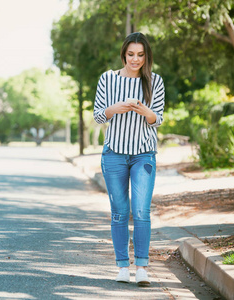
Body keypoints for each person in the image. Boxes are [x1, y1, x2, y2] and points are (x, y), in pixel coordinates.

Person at [93, 32, 165, 286]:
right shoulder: (108, 79)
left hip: (143, 154)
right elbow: (99, 115)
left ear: (146, 56)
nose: (135, 59)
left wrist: (147, 112)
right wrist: (116, 108)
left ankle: (142, 268)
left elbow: (158, 120)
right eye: (131, 54)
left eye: (141, 55)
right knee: (120, 213)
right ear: (124, 54)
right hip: (114, 155)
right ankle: (123, 266)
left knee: (141, 211)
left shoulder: (155, 81)